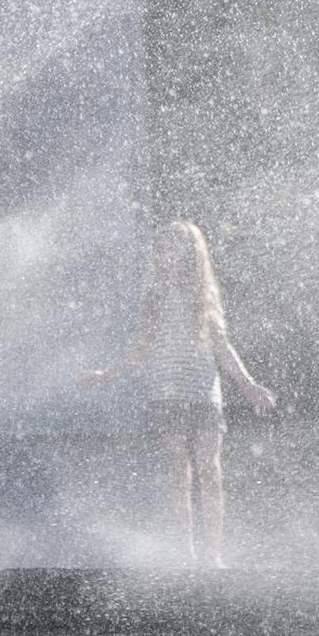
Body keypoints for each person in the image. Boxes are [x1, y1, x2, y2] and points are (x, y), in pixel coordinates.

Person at [80, 220, 275, 568]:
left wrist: (248, 385)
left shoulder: (203, 293)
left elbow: (221, 345)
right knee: (178, 472)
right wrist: (106, 374)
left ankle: (212, 554)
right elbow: (141, 347)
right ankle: (185, 553)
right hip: (165, 392)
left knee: (210, 471)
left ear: (189, 253)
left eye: (173, 247)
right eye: (162, 248)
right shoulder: (153, 295)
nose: (166, 254)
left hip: (202, 390)